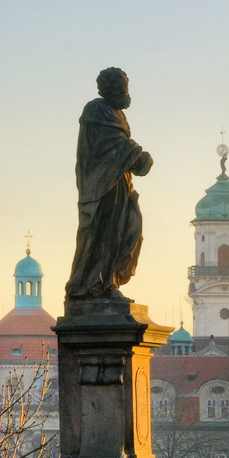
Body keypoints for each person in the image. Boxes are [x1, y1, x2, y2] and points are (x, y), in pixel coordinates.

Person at [66, 67, 153, 301]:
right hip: (102, 187)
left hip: (121, 184)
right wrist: (136, 153)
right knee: (105, 235)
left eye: (125, 85)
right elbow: (106, 146)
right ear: (111, 88)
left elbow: (119, 146)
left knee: (131, 230)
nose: (125, 91)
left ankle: (111, 280)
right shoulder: (95, 109)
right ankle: (95, 285)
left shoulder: (117, 114)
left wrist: (134, 155)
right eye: (121, 86)